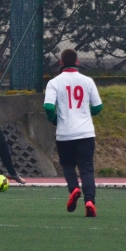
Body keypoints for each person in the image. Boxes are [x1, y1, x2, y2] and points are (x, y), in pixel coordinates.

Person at [43, 49, 103, 217]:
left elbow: (48, 106)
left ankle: (74, 188)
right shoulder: (88, 81)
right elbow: (98, 107)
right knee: (86, 168)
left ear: (60, 63)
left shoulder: (54, 82)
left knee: (67, 165)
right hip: (85, 132)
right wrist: (85, 113)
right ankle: (90, 200)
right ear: (77, 62)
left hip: (65, 133)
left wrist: (55, 119)